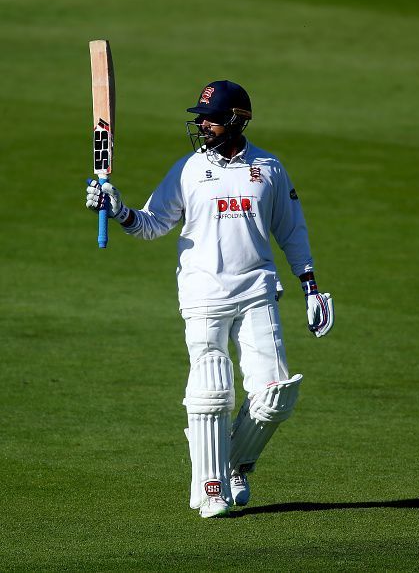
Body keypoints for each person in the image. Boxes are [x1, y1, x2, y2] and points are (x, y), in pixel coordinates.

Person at [86, 80, 334, 518]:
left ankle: (229, 465)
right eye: (201, 117)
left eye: (213, 119)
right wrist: (119, 208)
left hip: (258, 290)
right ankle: (210, 487)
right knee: (212, 392)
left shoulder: (269, 169)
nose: (203, 125)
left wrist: (310, 284)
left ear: (238, 120)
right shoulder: (186, 170)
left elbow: (291, 230)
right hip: (204, 294)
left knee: (275, 395)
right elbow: (151, 224)